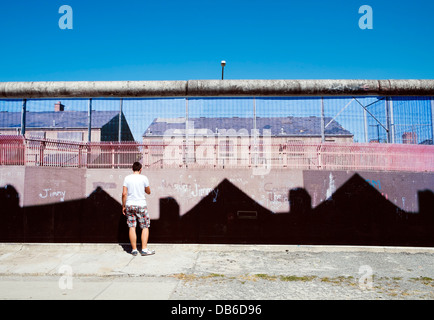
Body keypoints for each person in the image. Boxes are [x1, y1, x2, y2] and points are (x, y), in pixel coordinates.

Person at [122, 162, 155, 256]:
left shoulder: (127, 178)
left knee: (132, 227)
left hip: (129, 205)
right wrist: (145, 189)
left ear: (132, 169)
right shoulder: (144, 178)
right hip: (141, 205)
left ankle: (134, 250)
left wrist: (123, 206)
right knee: (145, 227)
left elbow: (124, 194)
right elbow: (148, 191)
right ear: (140, 169)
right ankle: (144, 250)